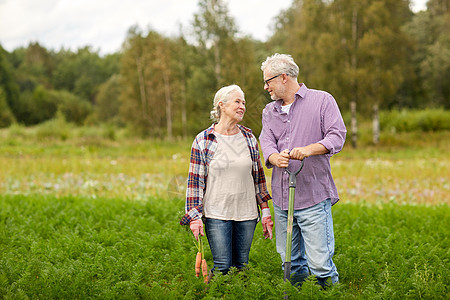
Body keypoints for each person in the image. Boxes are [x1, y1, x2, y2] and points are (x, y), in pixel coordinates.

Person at [259, 53, 346, 288]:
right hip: (281, 198)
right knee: (290, 261)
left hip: (312, 196)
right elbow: (266, 140)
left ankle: (330, 293)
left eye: (268, 81)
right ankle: (299, 293)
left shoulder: (322, 100)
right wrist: (274, 156)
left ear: (284, 77)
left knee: (320, 263)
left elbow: (337, 136)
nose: (266, 87)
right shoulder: (269, 111)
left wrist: (308, 150)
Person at [180, 84, 273, 277]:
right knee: (222, 267)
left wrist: (265, 212)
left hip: (246, 213)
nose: (243, 106)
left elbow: (258, 178)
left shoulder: (248, 137)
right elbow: (195, 182)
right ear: (221, 105)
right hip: (216, 213)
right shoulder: (204, 139)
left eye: (244, 103)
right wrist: (194, 217)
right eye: (238, 101)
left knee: (241, 267)